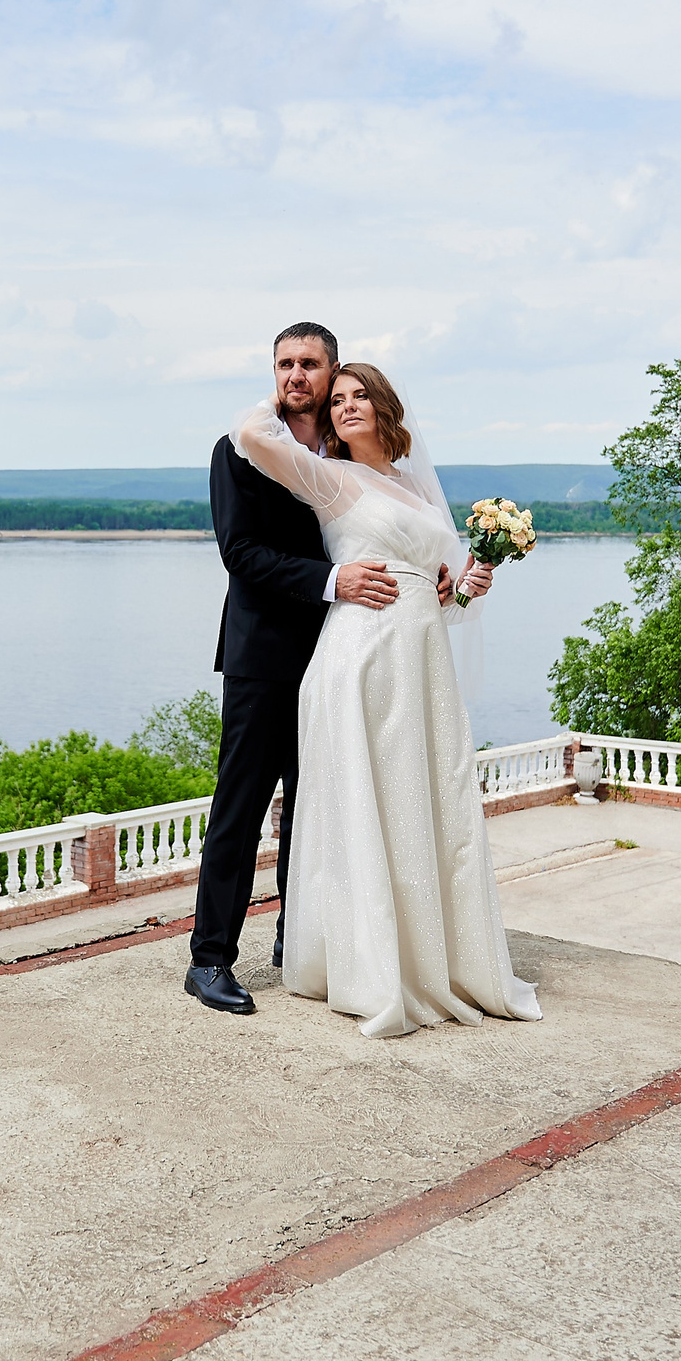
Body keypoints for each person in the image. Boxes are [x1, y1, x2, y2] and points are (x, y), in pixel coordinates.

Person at [226, 361, 542, 1038]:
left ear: (385, 406)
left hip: (421, 660)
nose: (344, 406)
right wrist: (288, 390)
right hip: (361, 657)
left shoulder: (418, 493)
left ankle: (430, 956)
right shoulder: (331, 478)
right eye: (334, 398)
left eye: (356, 394)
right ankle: (371, 966)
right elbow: (250, 436)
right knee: (370, 803)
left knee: (423, 801)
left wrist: (468, 582)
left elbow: (441, 595)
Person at [185, 323, 427, 1016]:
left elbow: (389, 525)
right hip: (262, 656)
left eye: (310, 364)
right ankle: (209, 959)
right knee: (241, 807)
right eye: (285, 363)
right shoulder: (239, 450)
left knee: (317, 804)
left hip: (343, 656)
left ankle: (300, 938)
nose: (296, 374)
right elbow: (241, 554)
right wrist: (333, 581)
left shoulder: (347, 453)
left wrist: (430, 579)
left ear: (331, 372)